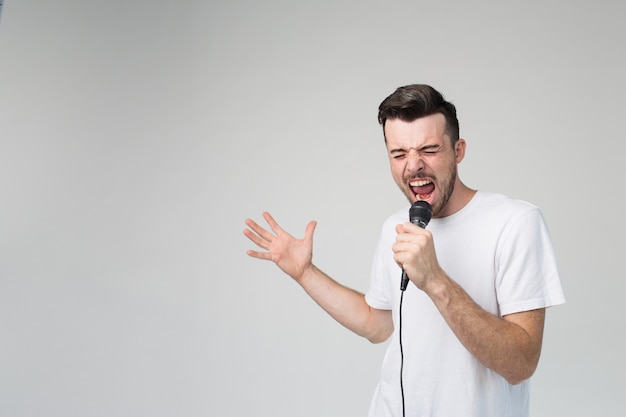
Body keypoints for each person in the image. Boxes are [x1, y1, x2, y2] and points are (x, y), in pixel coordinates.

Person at [243, 84, 565, 417]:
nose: (413, 166)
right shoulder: (397, 227)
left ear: (458, 150)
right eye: (399, 154)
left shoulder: (515, 222)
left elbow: (521, 363)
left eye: (429, 149)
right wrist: (305, 274)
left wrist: (435, 280)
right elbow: (377, 325)